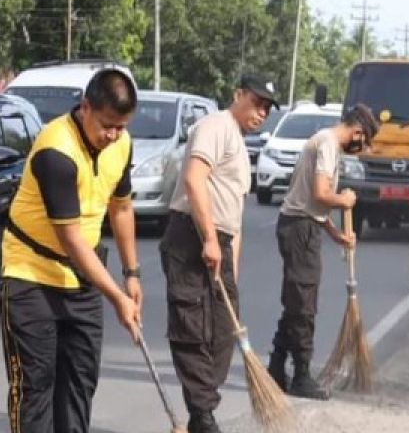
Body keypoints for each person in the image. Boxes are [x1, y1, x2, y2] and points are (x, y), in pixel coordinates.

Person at [0, 68, 143, 433]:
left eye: (121, 127)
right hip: (31, 275)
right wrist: (117, 298)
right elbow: (72, 240)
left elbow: (122, 207)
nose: (112, 136)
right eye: (107, 125)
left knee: (79, 383)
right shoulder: (56, 149)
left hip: (81, 280)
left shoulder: (121, 144)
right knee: (36, 387)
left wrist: (132, 273)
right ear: (86, 107)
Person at [161, 75, 278, 433]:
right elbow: (195, 180)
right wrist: (209, 239)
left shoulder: (242, 146)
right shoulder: (216, 126)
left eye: (267, 109)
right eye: (256, 103)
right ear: (237, 94)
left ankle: (203, 408)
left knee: (224, 331)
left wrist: (230, 261)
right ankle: (203, 416)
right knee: (192, 328)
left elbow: (236, 216)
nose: (261, 113)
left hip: (221, 242)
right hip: (191, 235)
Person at [268, 103, 379, 399]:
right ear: (357, 131)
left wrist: (336, 234)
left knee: (296, 300)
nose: (361, 147)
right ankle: (301, 375)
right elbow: (319, 194)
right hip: (299, 228)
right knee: (304, 304)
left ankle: (276, 368)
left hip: (303, 224)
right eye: (363, 140)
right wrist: (344, 201)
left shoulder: (323, 141)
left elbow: (313, 205)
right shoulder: (328, 144)